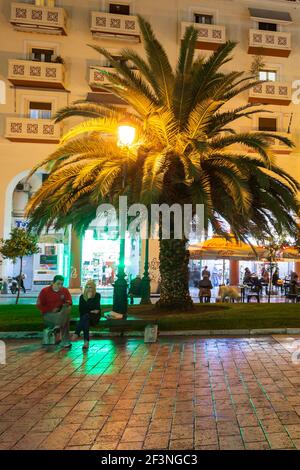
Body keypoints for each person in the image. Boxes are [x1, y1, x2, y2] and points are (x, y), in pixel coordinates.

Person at [37, 275, 72, 348]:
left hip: (61, 313)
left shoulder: (65, 291)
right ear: (53, 283)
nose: (60, 286)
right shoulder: (45, 291)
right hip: (49, 315)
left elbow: (70, 302)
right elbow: (39, 305)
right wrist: (51, 309)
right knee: (66, 320)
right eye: (58, 283)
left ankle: (58, 326)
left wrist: (64, 305)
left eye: (62, 284)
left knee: (67, 308)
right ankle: (65, 341)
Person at [72, 280, 101, 350]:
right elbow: (81, 310)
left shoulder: (97, 295)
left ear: (93, 288)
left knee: (85, 317)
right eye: (87, 287)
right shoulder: (82, 297)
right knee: (86, 320)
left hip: (94, 317)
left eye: (90, 287)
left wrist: (89, 299)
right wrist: (91, 310)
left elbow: (97, 308)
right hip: (85, 317)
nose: (88, 289)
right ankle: (86, 342)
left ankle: (76, 333)